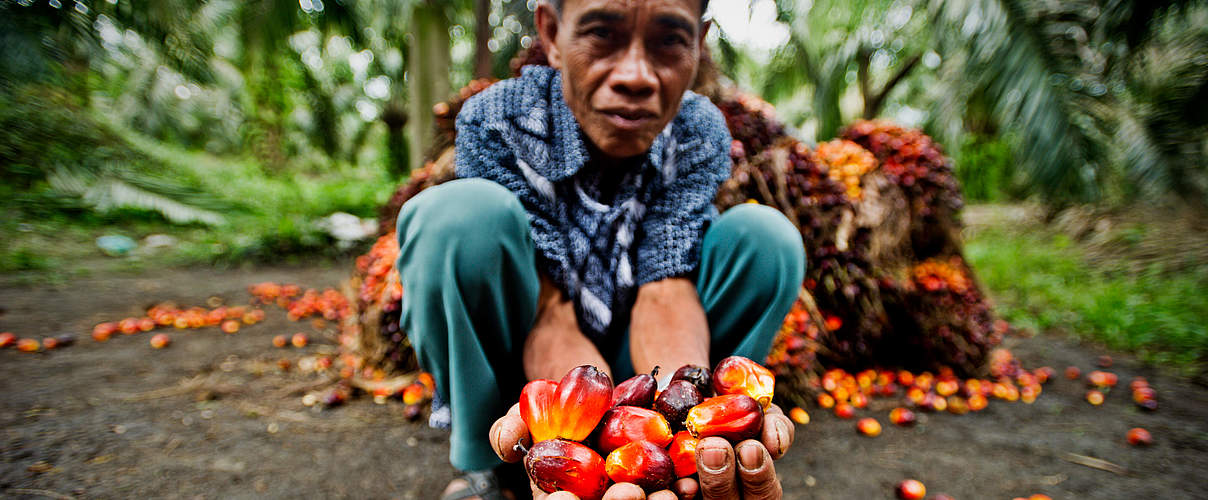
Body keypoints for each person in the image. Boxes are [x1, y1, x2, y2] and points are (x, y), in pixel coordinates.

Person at [394, 0, 805, 498]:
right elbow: (551, 314)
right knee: (455, 219)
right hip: (534, 351)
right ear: (550, 32)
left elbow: (666, 290)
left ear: (699, 42)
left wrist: (679, 416)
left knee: (766, 240)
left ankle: (702, 443)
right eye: (602, 34)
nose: (636, 75)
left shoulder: (697, 129)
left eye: (669, 40)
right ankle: (489, 466)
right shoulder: (497, 119)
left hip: (639, 359)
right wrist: (574, 434)